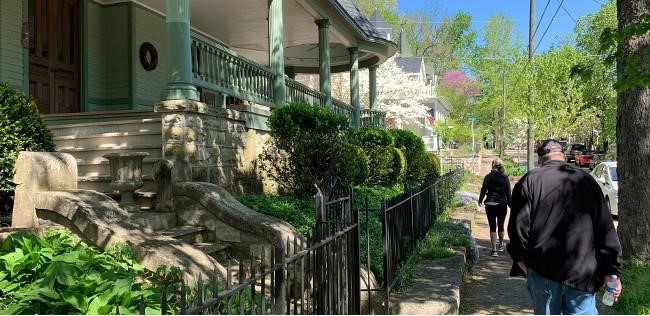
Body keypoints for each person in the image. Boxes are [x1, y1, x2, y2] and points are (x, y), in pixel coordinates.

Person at [507, 139, 622, 315]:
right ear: (564, 155)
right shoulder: (587, 181)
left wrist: (523, 262)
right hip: (582, 271)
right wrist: (612, 271)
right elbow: (605, 229)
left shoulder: (528, 182)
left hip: (543, 269)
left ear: (541, 159)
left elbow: (517, 230)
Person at [478, 158, 511, 257]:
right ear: (501, 165)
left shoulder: (488, 177)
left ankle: (494, 250)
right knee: (500, 225)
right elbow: (509, 194)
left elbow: (483, 190)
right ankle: (501, 244)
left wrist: (480, 200)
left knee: (492, 227)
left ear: (492, 165)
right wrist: (511, 205)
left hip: (490, 204)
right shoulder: (505, 178)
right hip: (501, 204)